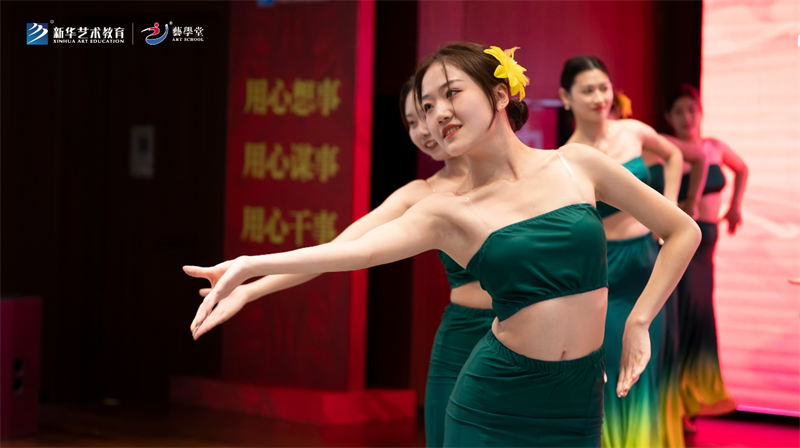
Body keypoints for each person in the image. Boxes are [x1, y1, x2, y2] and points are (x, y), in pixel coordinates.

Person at [187, 42, 700, 447]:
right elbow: (351, 251)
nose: (436, 116)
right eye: (426, 107)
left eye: (451, 94)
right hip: (494, 397)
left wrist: (638, 321)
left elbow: (683, 231)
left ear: (500, 94)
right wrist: (249, 270)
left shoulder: (577, 164)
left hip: (579, 396)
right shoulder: (442, 208)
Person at [186, 76, 496, 448]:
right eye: (412, 121)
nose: (423, 130)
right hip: (462, 335)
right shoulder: (420, 193)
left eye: (426, 113)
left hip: (524, 329)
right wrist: (250, 290)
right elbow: (343, 249)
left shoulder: (527, 176)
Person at [559, 56, 705, 448]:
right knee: (612, 367)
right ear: (566, 97)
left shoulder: (633, 131)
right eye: (587, 90)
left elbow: (675, 155)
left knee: (648, 367)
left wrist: (669, 207)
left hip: (649, 261)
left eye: (603, 88)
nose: (599, 97)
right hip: (605, 271)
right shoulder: (567, 157)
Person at [663, 83, 748, 432]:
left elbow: (742, 169)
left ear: (700, 112)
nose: (687, 117)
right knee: (680, 320)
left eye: (692, 110)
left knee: (700, 319)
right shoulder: (669, 151)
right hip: (683, 243)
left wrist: (735, 207)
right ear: (669, 117)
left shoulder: (714, 147)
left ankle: (692, 398)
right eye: (679, 111)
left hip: (708, 247)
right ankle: (675, 405)